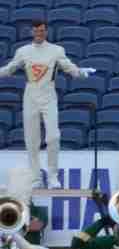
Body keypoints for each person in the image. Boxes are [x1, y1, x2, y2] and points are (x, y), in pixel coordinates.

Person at [1, 20, 93, 181]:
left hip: (49, 96)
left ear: (46, 32)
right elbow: (10, 69)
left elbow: (68, 66)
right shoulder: (23, 51)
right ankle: (35, 177)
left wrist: (80, 72)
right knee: (31, 140)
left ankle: (52, 176)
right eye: (36, 31)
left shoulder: (56, 50)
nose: (39, 33)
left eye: (42, 30)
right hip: (30, 96)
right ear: (32, 32)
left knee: (53, 137)